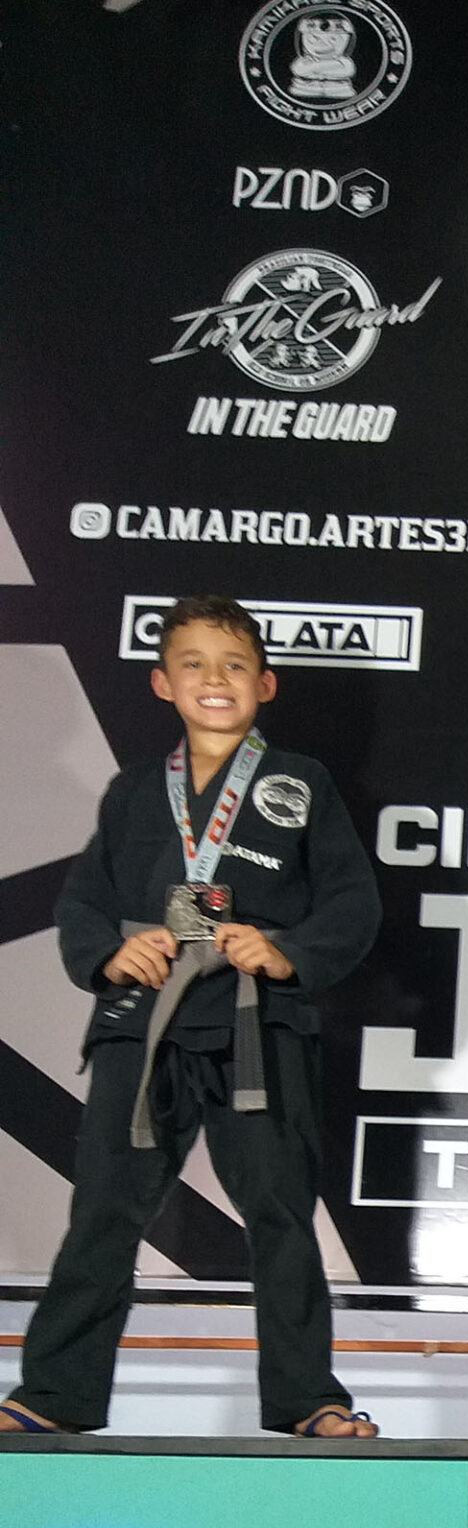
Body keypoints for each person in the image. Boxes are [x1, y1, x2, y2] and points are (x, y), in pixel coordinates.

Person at [0, 593, 383, 1437]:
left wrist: (287, 952)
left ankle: (308, 1399)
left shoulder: (301, 783)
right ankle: (54, 1396)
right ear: (162, 683)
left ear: (266, 684)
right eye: (195, 664)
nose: (216, 679)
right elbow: (82, 902)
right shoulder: (135, 790)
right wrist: (110, 952)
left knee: (280, 1215)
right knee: (104, 1212)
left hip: (255, 1025)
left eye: (235, 664)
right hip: (145, 1026)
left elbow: (353, 903)